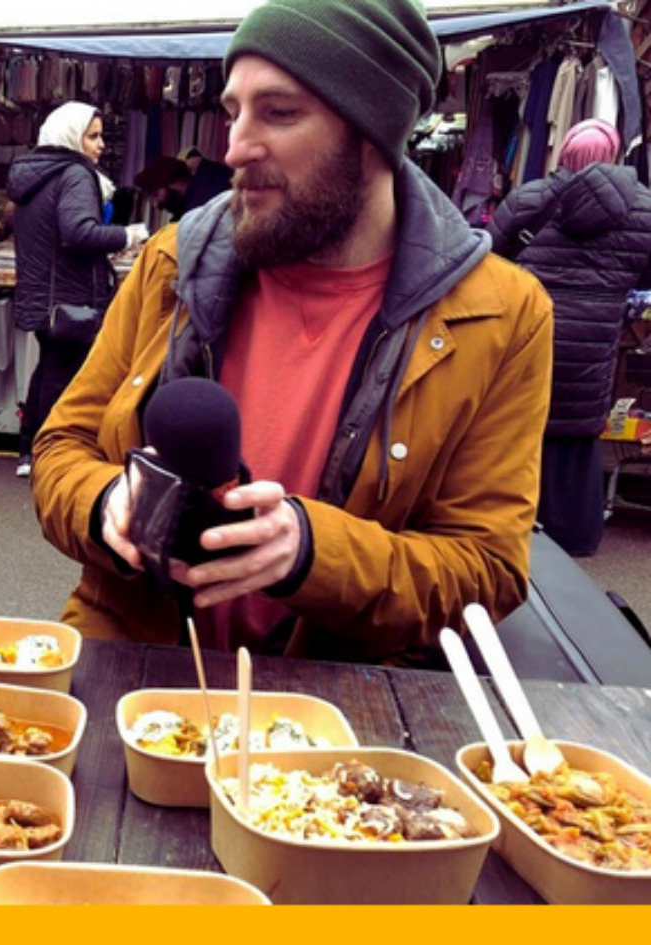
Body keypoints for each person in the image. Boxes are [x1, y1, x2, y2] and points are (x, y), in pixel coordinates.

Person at [32, 0, 554, 667]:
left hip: (337, 702)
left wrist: (311, 553)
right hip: (133, 671)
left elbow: (486, 573)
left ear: (374, 131)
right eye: (233, 112)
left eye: (279, 113)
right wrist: (107, 503)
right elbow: (61, 450)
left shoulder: (503, 315)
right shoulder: (171, 263)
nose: (235, 148)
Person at [489, 118, 651, 556]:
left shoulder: (531, 199)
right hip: (593, 344)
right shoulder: (643, 210)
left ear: (564, 152)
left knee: (519, 427)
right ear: (614, 154)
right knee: (578, 437)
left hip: (528, 334)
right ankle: (575, 536)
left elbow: (487, 260)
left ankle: (509, 528)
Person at [6, 102, 148, 477]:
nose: (101, 145)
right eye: (92, 136)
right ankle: (46, 454)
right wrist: (127, 235)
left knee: (48, 370)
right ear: (72, 136)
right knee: (63, 376)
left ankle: (28, 451)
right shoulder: (75, 174)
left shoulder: (37, 174)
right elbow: (78, 232)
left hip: (44, 295)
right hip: (70, 297)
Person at [134, 149, 234, 221]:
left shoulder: (199, 209)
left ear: (170, 181)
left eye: (155, 194)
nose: (156, 205)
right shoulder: (212, 175)